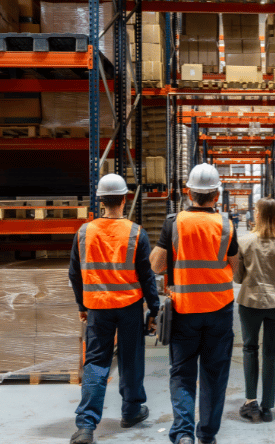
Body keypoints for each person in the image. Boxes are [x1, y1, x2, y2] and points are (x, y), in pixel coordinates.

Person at [69, 173, 162, 444]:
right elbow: (147, 277)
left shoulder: (84, 232)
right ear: (124, 199)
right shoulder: (136, 232)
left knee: (96, 363)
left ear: (100, 201)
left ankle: (86, 426)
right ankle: (131, 411)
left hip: (98, 307)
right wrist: (153, 310)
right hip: (130, 307)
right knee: (131, 360)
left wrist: (82, 304)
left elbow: (75, 273)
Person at [149, 163, 239, 444]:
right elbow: (236, 269)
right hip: (219, 310)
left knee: (182, 373)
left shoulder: (173, 223)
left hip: (184, 310)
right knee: (214, 374)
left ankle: (184, 433)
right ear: (217, 195)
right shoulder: (226, 225)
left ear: (188, 192)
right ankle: (207, 434)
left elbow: (156, 266)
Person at [233, 197, 275, 423]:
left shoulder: (244, 242)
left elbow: (238, 278)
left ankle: (251, 402)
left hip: (250, 302)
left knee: (250, 349)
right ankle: (268, 407)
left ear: (257, 215)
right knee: (271, 353)